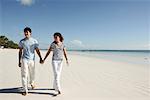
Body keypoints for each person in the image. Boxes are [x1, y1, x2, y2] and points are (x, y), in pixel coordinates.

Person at [18, 27, 43, 96]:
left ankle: (32, 83)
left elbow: (37, 50)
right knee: (24, 74)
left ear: (30, 33)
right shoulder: (22, 41)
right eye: (25, 32)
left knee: (32, 73)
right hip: (24, 59)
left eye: (27, 32)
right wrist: (19, 61)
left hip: (32, 60)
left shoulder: (34, 41)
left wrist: (41, 58)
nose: (26, 33)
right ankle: (25, 89)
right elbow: (20, 51)